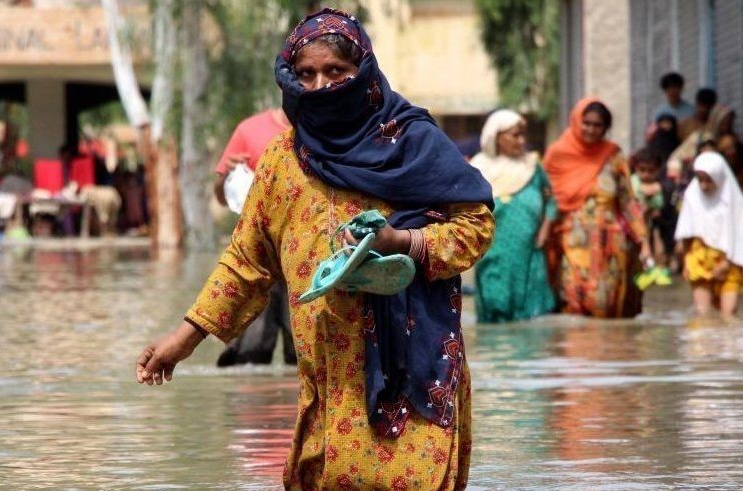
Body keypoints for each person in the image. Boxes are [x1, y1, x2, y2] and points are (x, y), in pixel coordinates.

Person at [135, 9, 494, 490]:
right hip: (327, 377)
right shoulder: (284, 160)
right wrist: (185, 339)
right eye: (306, 74)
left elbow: (475, 225)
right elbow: (246, 262)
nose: (320, 85)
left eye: (336, 72)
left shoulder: (410, 140)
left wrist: (403, 243)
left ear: (362, 72)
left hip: (410, 371)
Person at [543, 98, 650, 318]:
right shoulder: (558, 155)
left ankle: (605, 352)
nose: (591, 130)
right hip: (572, 243)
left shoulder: (614, 157)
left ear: (605, 128)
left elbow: (628, 201)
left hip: (610, 248)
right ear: (577, 121)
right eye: (587, 123)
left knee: (606, 306)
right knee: (573, 302)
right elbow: (546, 199)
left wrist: (643, 240)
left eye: (598, 125)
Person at [211, 107, 296, 367]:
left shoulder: (330, 130)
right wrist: (228, 176)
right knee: (250, 357)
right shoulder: (249, 130)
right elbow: (221, 197)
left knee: (309, 357)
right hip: (259, 257)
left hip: (306, 258)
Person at [470, 109, 556, 323]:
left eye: (523, 135)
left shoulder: (532, 165)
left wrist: (544, 233)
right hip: (493, 250)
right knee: (494, 303)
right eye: (514, 135)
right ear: (496, 137)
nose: (522, 141)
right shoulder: (479, 168)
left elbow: (551, 201)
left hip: (529, 249)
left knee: (530, 311)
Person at [675, 152, 743, 317]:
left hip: (730, 262)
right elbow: (686, 231)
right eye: (700, 179)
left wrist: (726, 262)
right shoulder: (692, 195)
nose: (703, 185)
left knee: (729, 314)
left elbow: (740, 235)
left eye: (708, 179)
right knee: (702, 315)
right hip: (700, 259)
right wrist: (685, 263)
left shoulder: (734, 199)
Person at [631, 147, 676, 265]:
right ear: (636, 168)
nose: (646, 174)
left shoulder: (661, 186)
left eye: (651, 171)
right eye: (642, 170)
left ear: (658, 170)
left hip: (654, 227)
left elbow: (661, 206)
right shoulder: (632, 183)